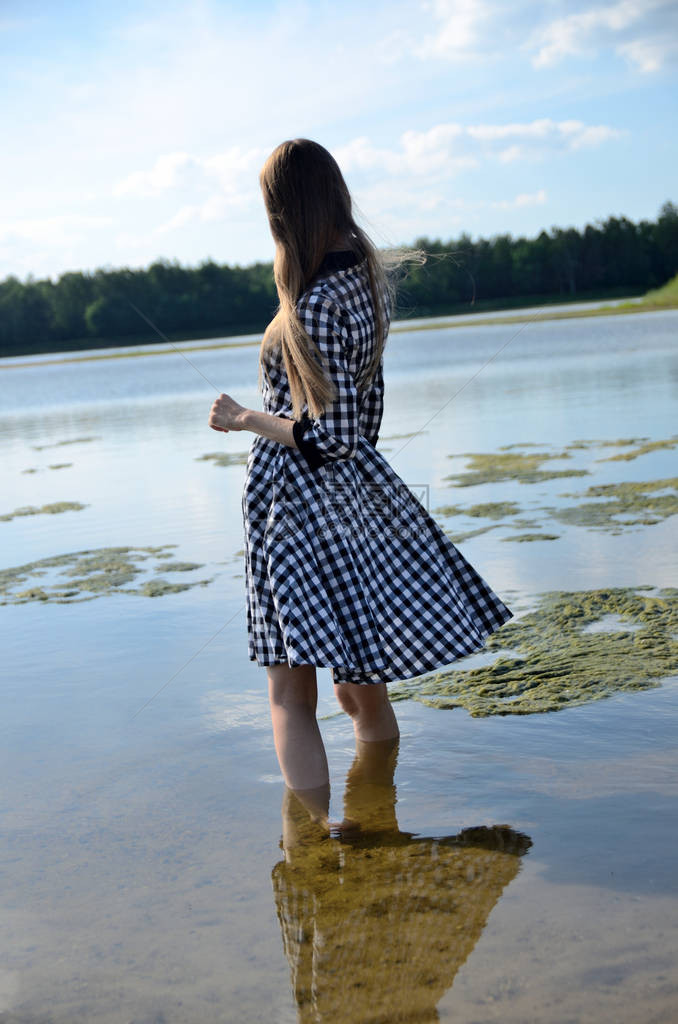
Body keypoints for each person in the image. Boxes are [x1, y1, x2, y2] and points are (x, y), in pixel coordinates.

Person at [208, 139, 513, 821]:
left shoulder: (313, 302)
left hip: (300, 501)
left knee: (291, 693)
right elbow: (356, 425)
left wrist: (247, 417)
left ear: (282, 214)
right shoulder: (362, 280)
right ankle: (377, 819)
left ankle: (315, 847)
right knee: (360, 687)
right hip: (355, 496)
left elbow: (333, 437)